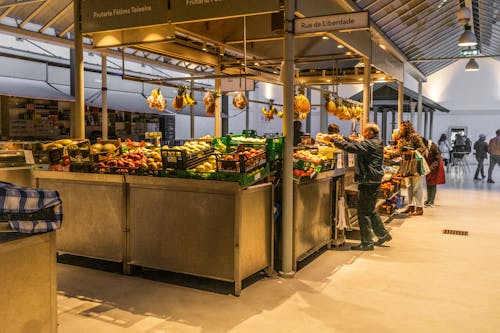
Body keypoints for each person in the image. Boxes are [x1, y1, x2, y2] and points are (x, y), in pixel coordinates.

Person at [327, 123, 391, 251]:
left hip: (369, 181)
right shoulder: (374, 142)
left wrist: (332, 140)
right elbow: (356, 144)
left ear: (370, 133)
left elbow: (352, 148)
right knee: (370, 209)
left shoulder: (370, 144)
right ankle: (383, 235)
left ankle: (367, 243)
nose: (362, 133)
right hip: (372, 180)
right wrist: (344, 138)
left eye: (364, 131)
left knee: (363, 211)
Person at [398, 121, 428, 216]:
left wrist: (412, 152)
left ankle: (419, 208)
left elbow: (423, 148)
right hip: (406, 164)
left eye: (402, 127)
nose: (400, 129)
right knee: (409, 186)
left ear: (407, 128)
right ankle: (411, 206)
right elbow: (400, 150)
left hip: (415, 164)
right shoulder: (401, 138)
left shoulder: (415, 136)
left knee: (417, 187)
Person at [422, 138, 445, 207]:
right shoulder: (425, 147)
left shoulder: (434, 146)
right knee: (429, 183)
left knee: (433, 183)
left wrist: (431, 168)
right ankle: (429, 200)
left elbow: (438, 159)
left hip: (435, 167)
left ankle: (431, 201)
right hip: (429, 166)